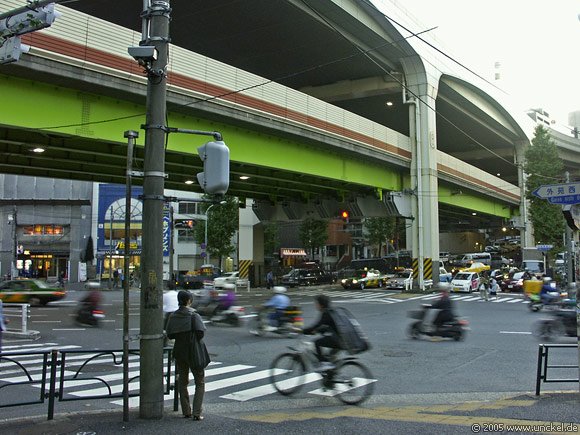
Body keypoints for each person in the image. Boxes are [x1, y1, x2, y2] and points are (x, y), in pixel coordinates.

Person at [165, 291, 206, 421]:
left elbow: (170, 334)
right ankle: (197, 413)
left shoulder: (173, 316)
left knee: (182, 381)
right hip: (194, 351)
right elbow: (200, 333)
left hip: (179, 351)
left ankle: (186, 411)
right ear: (189, 300)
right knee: (199, 381)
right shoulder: (194, 315)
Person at [302, 294, 342, 371]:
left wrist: (302, 331)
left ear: (321, 304)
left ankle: (322, 363)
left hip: (338, 340)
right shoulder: (330, 311)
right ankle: (330, 376)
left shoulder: (326, 313)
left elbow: (316, 325)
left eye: (316, 303)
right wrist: (317, 331)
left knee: (316, 342)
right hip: (342, 339)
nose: (315, 305)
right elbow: (327, 326)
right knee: (329, 357)